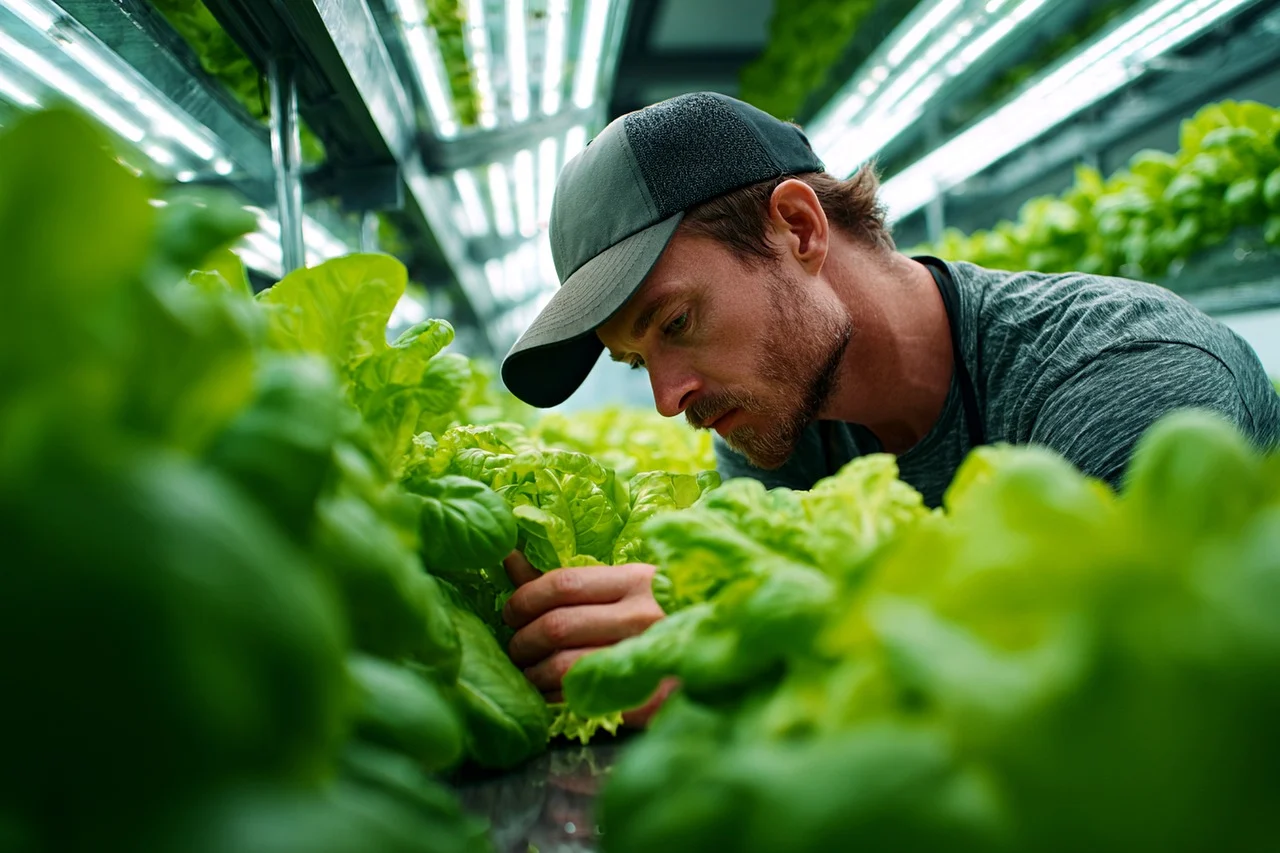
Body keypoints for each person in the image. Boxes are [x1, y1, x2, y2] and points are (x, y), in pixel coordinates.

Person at [496, 91, 1280, 723]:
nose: (670, 399)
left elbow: (1102, 705)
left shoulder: (1121, 376)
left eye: (676, 324)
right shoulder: (781, 424)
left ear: (798, 229)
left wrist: (727, 671)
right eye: (639, 362)